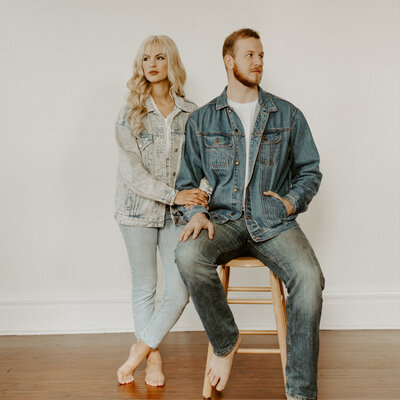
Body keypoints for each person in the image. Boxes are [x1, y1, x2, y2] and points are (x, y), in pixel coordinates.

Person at [175, 28, 325, 400]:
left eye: (261, 55)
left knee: (309, 279)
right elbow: (188, 180)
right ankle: (226, 341)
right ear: (229, 61)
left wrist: (290, 202)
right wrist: (195, 212)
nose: (258, 62)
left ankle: (301, 393)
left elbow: (310, 170)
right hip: (223, 221)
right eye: (250, 55)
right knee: (187, 255)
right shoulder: (203, 120)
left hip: (274, 223)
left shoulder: (287, 114)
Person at [114, 35, 210, 386]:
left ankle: (138, 350)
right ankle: (153, 361)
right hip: (137, 211)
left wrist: (199, 198)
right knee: (144, 289)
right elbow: (133, 173)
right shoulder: (130, 113)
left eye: (159, 58)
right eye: (145, 59)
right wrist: (175, 195)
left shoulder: (193, 114)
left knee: (179, 291)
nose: (152, 64)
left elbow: (206, 167)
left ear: (172, 63)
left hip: (176, 217)